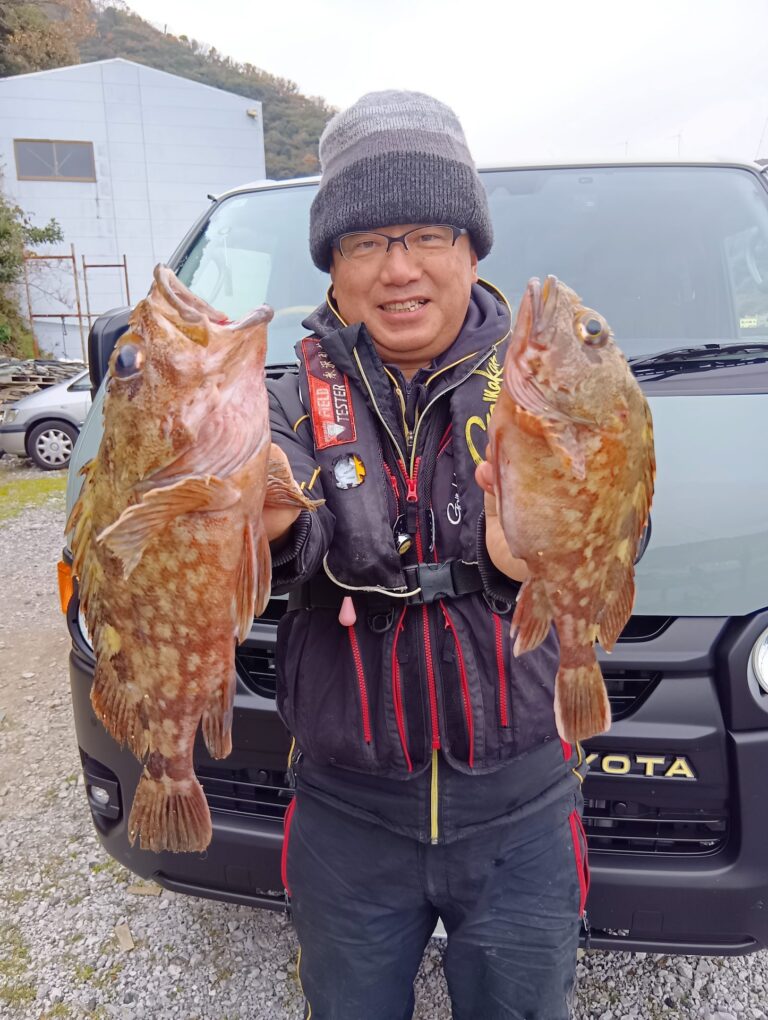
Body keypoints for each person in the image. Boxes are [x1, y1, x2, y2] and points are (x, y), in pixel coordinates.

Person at [263, 90, 589, 1020]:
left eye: (427, 235)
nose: (398, 269)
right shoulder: (287, 400)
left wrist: (533, 552)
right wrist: (269, 519)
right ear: (332, 264)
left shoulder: (544, 376)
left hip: (522, 804)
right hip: (345, 812)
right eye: (366, 242)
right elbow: (294, 551)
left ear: (473, 249)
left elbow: (621, 520)